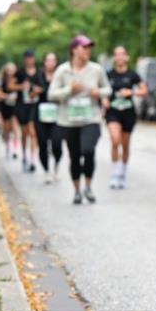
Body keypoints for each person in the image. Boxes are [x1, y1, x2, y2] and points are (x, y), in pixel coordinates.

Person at [47, 35, 110, 204]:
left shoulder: (96, 69)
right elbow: (51, 94)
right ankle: (77, 190)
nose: (88, 51)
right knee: (74, 156)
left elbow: (108, 89)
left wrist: (99, 93)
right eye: (84, 47)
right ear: (74, 49)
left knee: (88, 151)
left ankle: (88, 187)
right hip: (68, 120)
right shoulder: (62, 70)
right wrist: (69, 89)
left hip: (91, 118)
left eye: (89, 48)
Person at [104, 45, 147, 189]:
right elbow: (101, 90)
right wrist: (103, 99)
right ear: (114, 58)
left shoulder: (132, 74)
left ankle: (122, 172)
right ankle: (114, 173)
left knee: (125, 145)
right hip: (113, 112)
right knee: (115, 140)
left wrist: (131, 92)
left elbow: (144, 91)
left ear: (127, 57)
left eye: (122, 54)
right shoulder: (108, 74)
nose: (119, 57)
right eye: (117, 54)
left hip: (128, 113)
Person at [34, 52, 63, 184]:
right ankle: (46, 171)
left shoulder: (61, 75)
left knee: (57, 143)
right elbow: (29, 95)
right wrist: (35, 92)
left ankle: (56, 165)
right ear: (44, 62)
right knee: (42, 144)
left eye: (53, 60)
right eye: (48, 60)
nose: (50, 63)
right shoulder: (37, 76)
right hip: (41, 114)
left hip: (57, 114)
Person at [14, 49, 40, 173]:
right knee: (24, 133)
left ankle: (33, 160)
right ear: (24, 59)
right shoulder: (19, 72)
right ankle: (24, 155)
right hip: (22, 105)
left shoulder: (39, 72)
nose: (29, 59)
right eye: (27, 57)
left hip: (35, 106)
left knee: (32, 132)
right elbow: (10, 85)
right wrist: (21, 86)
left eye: (31, 57)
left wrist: (37, 89)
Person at [0, 61, 19, 158]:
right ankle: (7, 147)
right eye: (9, 69)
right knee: (6, 129)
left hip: (15, 107)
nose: (11, 71)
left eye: (13, 69)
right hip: (5, 107)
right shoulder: (2, 81)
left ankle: (15, 149)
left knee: (15, 128)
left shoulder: (18, 79)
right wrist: (8, 96)